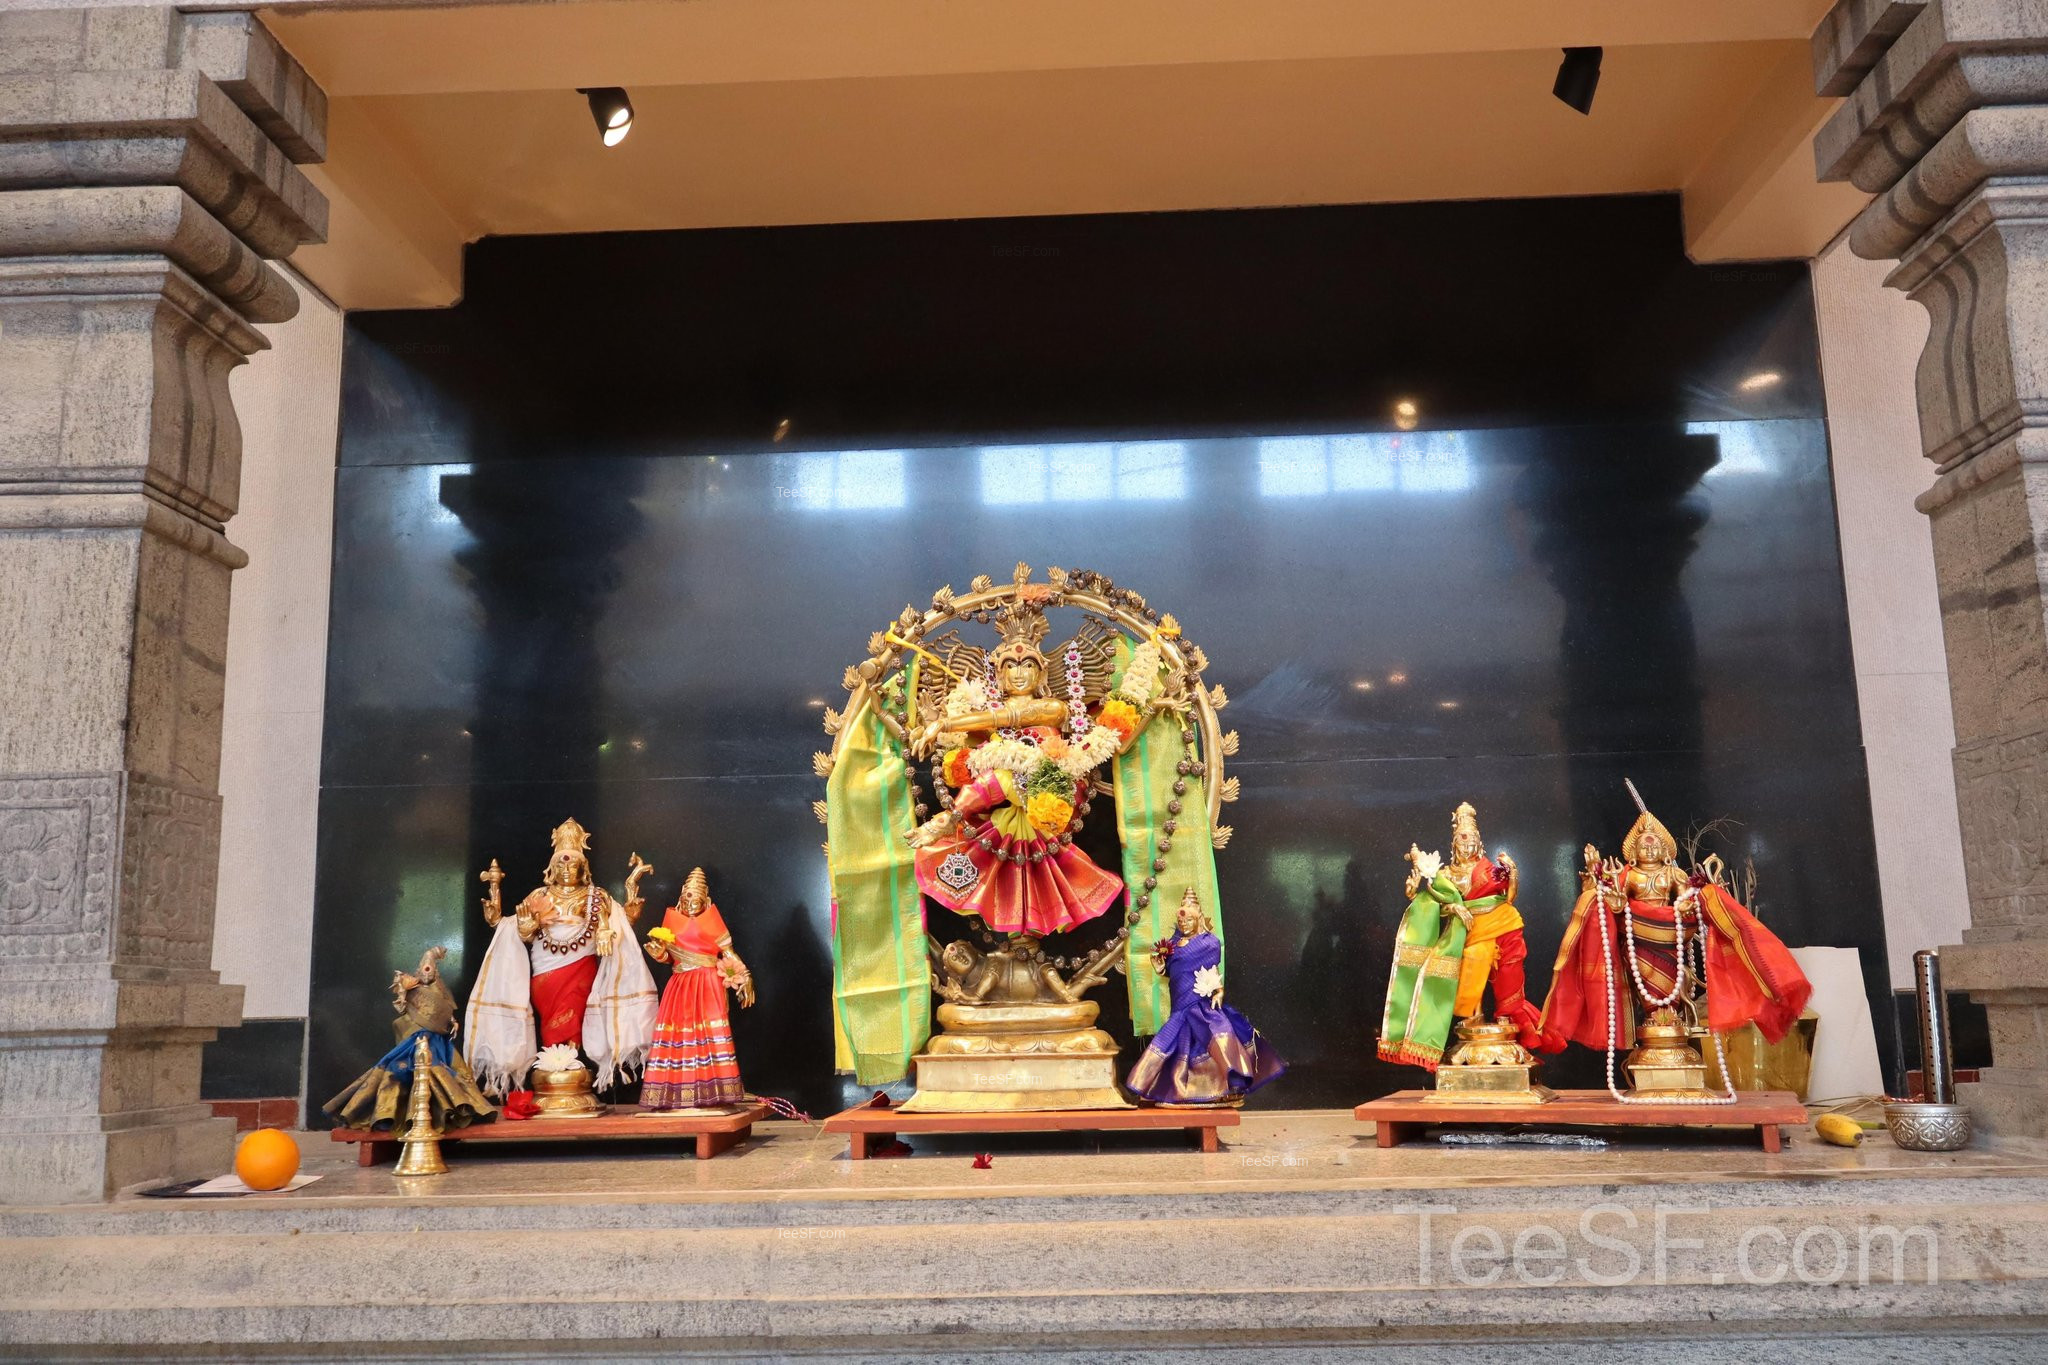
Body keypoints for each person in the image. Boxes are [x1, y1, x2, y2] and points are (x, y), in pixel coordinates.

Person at [1124, 889, 1284, 1105]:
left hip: (1199, 1001)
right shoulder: (1173, 944)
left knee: (1212, 1033)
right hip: (1179, 1001)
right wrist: (1160, 968)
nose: (1184, 925)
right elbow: (1175, 971)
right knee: (1177, 1037)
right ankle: (1171, 1087)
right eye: (1181, 921)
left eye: (1189, 920)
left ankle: (1225, 1084)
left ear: (1198, 919)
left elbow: (1212, 970)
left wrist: (1219, 991)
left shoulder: (1208, 943)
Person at [640, 868, 754, 1110]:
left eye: (694, 899)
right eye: (685, 899)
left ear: (706, 900)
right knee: (679, 1035)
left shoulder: (712, 921)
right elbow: (669, 957)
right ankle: (676, 1092)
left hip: (708, 983)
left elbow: (729, 955)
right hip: (680, 984)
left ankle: (714, 1090)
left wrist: (745, 978)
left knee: (708, 1035)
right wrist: (658, 953)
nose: (689, 904)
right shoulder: (671, 920)